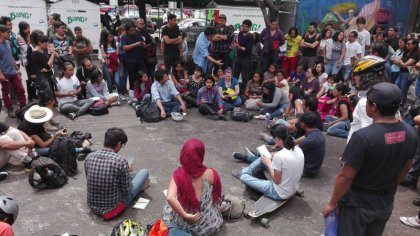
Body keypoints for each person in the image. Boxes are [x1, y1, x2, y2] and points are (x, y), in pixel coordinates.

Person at [323, 82, 418, 236]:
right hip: (385, 203)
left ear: (373, 107)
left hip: (357, 206)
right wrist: (390, 187)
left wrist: (332, 203)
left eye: (367, 102)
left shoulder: (362, 137)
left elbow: (345, 177)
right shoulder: (411, 133)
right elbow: (406, 168)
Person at [85, 127, 150, 219]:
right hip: (112, 209)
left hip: (92, 206)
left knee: (132, 174)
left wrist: (125, 172)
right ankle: (139, 188)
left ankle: (131, 178)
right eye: (122, 144)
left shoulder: (89, 157)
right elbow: (127, 191)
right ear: (118, 144)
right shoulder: (120, 161)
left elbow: (90, 178)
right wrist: (126, 172)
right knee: (144, 172)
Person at [162, 138, 223, 235]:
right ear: (201, 154)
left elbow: (170, 197)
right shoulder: (211, 173)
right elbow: (216, 197)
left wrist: (186, 215)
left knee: (170, 206)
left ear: (183, 154)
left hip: (180, 219)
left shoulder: (179, 174)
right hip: (204, 222)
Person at [232, 125, 304, 201]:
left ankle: (243, 173)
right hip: (293, 187)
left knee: (243, 178)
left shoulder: (280, 156)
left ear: (276, 138)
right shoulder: (298, 149)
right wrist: (271, 158)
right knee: (265, 157)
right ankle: (245, 171)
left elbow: (277, 181)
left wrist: (269, 164)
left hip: (279, 193)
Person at [17, 105, 89, 157]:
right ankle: (80, 150)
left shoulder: (34, 122)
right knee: (57, 149)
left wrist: (52, 136)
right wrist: (55, 136)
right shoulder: (27, 128)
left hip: (39, 141)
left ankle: (76, 146)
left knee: (61, 141)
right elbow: (43, 145)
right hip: (31, 149)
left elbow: (44, 131)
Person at [0, 24, 27, 118]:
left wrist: (16, 69)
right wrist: (0, 74)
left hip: (13, 72)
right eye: (7, 32)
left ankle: (23, 107)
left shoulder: (8, 42)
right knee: (5, 92)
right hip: (4, 74)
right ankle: (10, 109)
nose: (9, 34)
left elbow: (11, 57)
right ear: (1, 33)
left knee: (21, 89)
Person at [298, 112, 325, 178]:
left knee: (280, 162)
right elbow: (299, 140)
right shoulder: (317, 132)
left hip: (308, 170)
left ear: (303, 124)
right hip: (314, 167)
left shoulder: (309, 141)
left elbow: (291, 152)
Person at [394, 38, 419, 107]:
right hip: (401, 72)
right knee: (396, 88)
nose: (407, 45)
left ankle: (401, 107)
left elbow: (405, 65)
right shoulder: (406, 52)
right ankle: (396, 104)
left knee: (403, 91)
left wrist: (400, 62)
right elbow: (398, 61)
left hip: (407, 74)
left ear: (414, 45)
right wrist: (401, 62)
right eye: (406, 44)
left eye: (409, 44)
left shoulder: (415, 54)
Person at [121, 22, 145, 90]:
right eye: (131, 30)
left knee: (142, 75)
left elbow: (143, 44)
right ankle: (132, 91)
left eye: (134, 29)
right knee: (132, 77)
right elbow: (124, 47)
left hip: (139, 59)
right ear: (127, 31)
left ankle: (141, 90)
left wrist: (143, 44)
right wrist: (134, 45)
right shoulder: (124, 37)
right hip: (130, 61)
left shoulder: (138, 35)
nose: (133, 31)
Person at [232, 19, 254, 93]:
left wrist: (239, 47)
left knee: (245, 77)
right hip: (238, 57)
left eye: (246, 26)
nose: (244, 28)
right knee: (235, 75)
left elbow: (247, 49)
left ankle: (244, 92)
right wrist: (235, 45)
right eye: (243, 26)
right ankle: (232, 91)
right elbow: (236, 43)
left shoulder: (250, 36)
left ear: (249, 28)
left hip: (246, 59)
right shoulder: (240, 34)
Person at [100, 30, 120, 94]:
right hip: (106, 64)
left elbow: (116, 55)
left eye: (112, 37)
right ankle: (111, 94)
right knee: (109, 81)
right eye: (109, 37)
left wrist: (108, 55)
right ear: (105, 37)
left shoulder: (116, 44)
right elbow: (104, 56)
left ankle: (120, 93)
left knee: (117, 81)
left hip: (115, 64)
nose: (111, 38)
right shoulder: (103, 45)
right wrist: (110, 56)